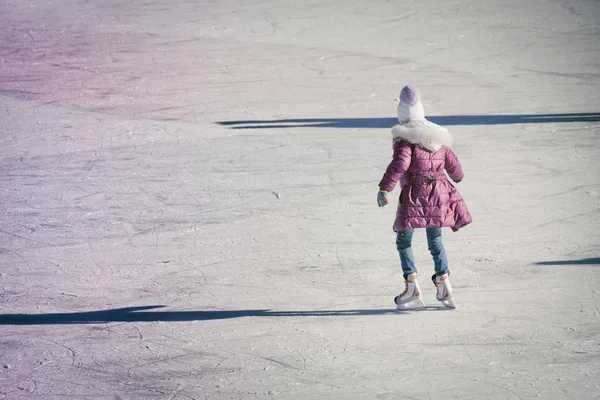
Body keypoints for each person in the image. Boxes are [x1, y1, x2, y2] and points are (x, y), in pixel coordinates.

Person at [377, 85, 472, 310]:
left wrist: (384, 188)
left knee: (403, 240)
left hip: (414, 194)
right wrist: (456, 176)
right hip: (439, 195)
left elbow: (401, 163)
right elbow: (452, 162)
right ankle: (443, 282)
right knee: (435, 240)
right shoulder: (436, 135)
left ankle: (412, 288)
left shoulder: (404, 137)